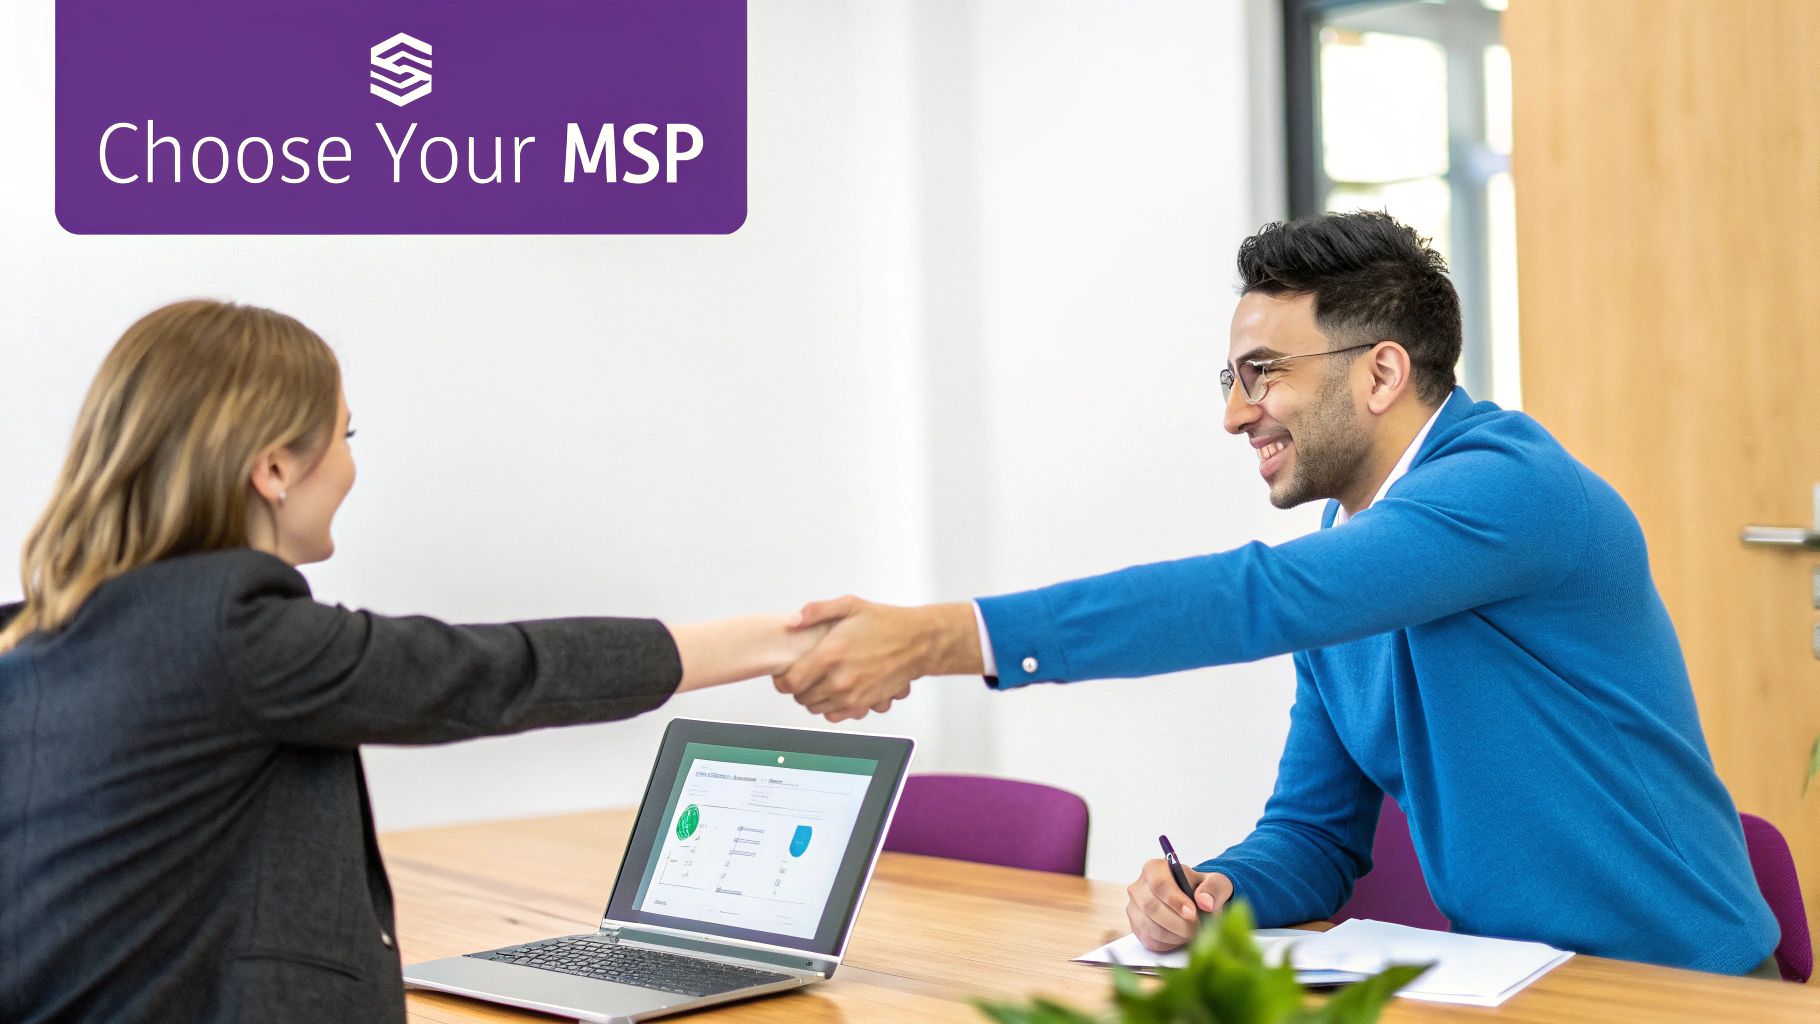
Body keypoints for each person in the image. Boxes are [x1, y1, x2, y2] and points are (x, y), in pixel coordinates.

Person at [772, 212, 1781, 976]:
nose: (1231, 413)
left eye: (1261, 373)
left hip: (1685, 987)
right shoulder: (1346, 553)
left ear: (1381, 372)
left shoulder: (1508, 490)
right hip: (1520, 987)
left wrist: (944, 636)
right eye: (1228, 374)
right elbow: (1312, 836)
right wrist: (1216, 891)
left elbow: (1251, 598)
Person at [0, 300, 828, 1022]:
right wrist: (782, 641)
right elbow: (493, 672)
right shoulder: (228, 630)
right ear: (276, 467)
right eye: (344, 436)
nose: (351, 465)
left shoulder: (32, 634)